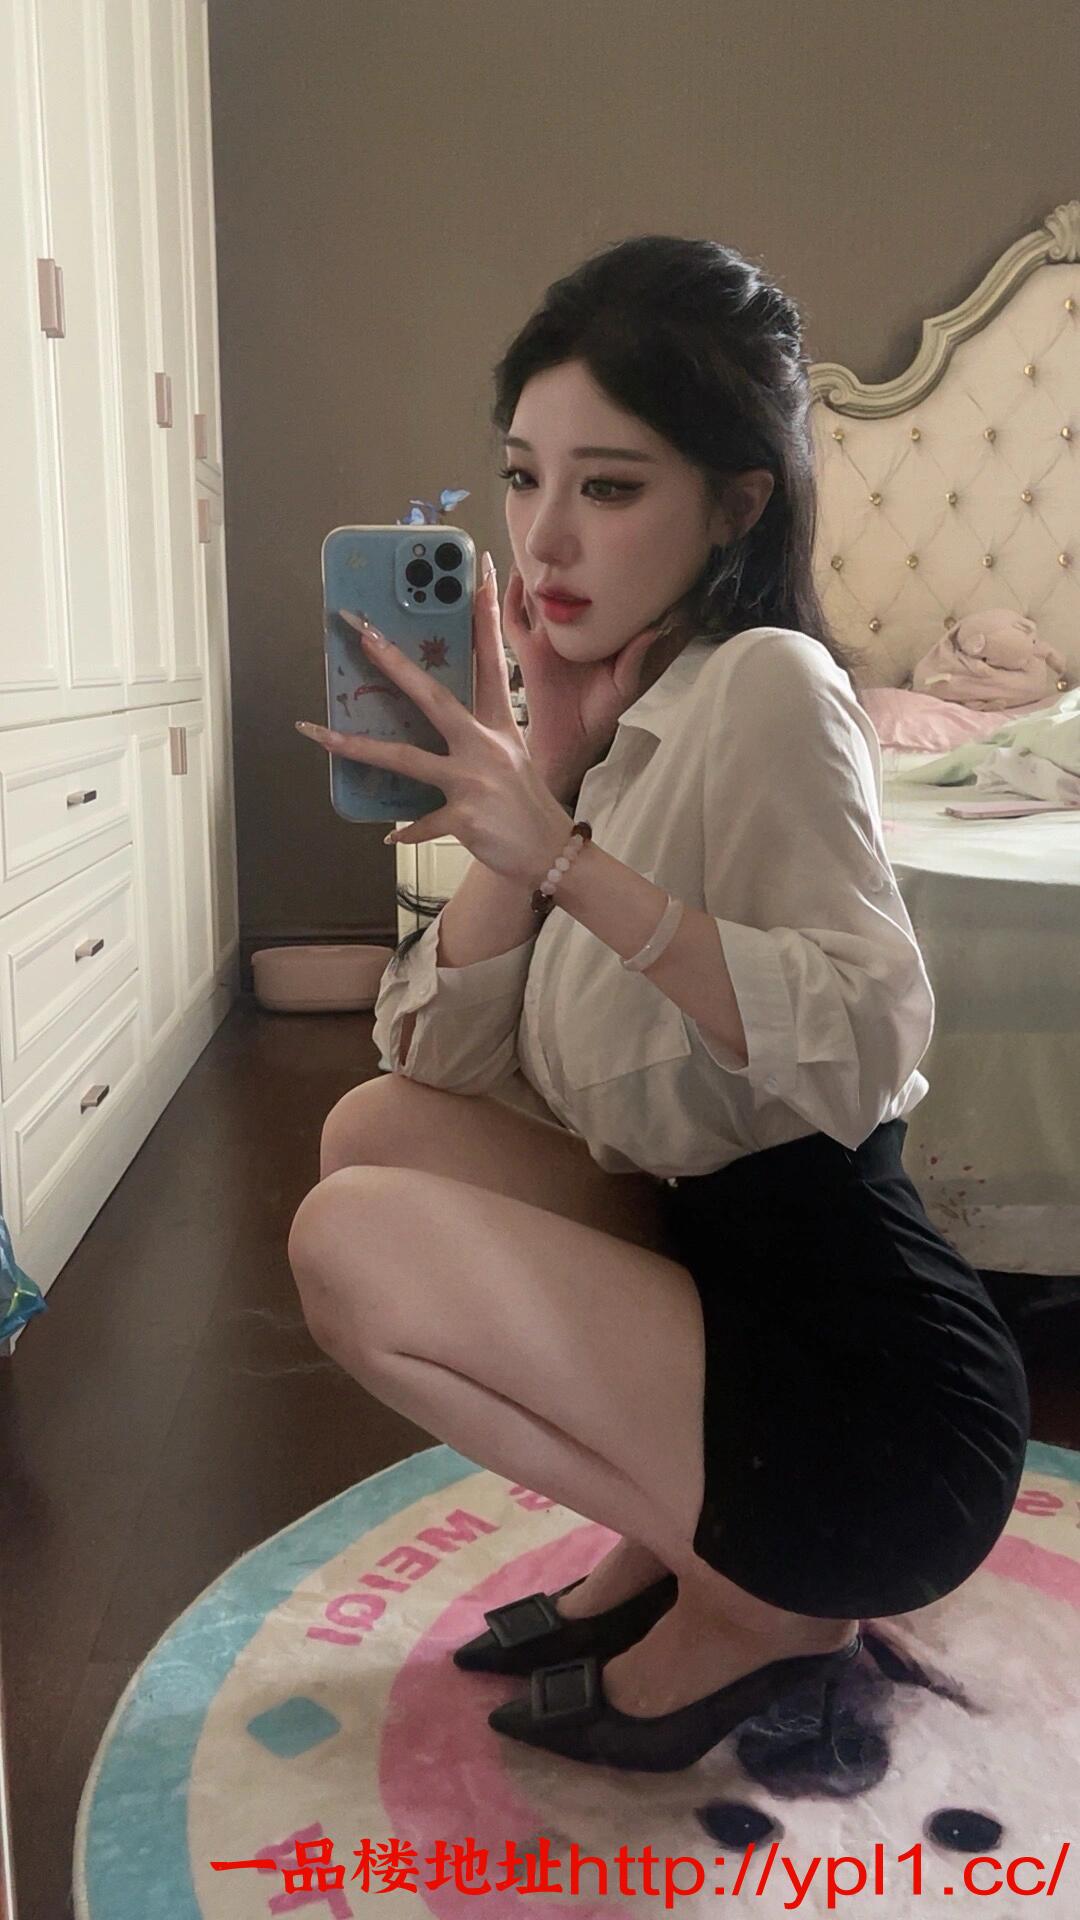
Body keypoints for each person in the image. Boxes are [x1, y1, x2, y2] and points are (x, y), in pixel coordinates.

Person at [289, 235, 1031, 1774]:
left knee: (348, 1239)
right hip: (724, 1292)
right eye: (523, 478)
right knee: (376, 1133)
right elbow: (440, 1064)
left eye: (611, 486)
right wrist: (552, 777)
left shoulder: (767, 686)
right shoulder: (632, 713)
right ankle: (687, 1536)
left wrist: (566, 860)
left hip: (872, 1398)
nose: (546, 537)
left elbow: (866, 1038)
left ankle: (762, 1600)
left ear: (737, 503)